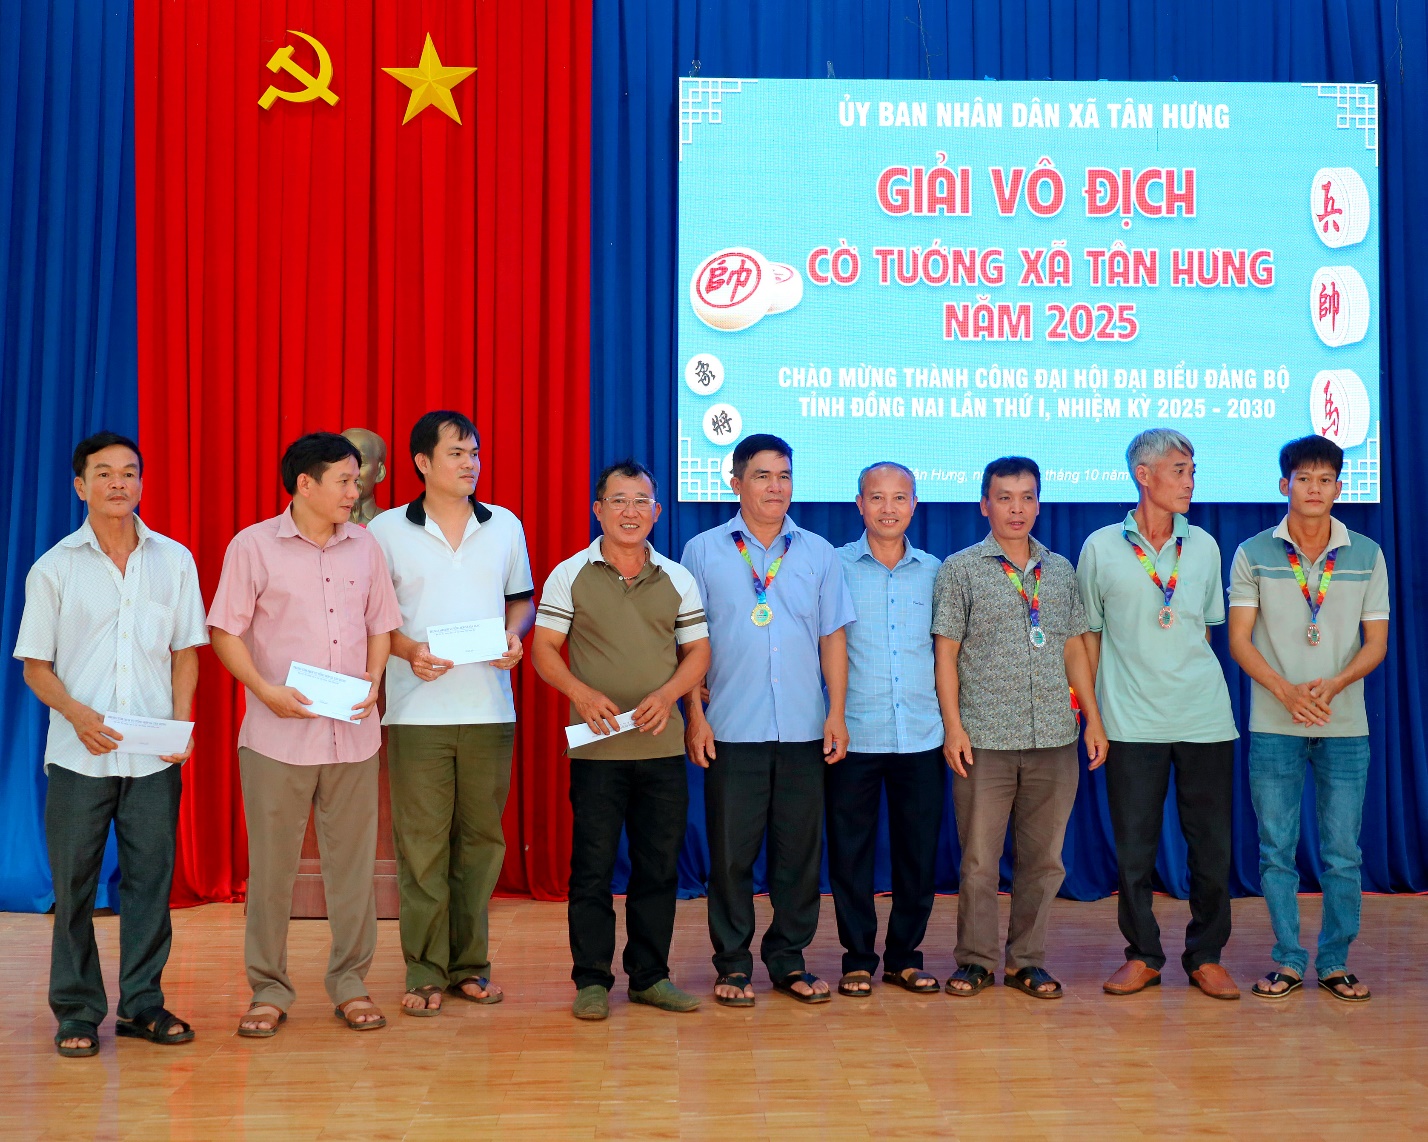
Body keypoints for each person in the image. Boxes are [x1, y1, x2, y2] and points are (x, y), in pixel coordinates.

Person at [15, 431, 207, 1057]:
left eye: (129, 472)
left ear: (142, 483)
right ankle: (76, 1011)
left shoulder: (174, 560)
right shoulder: (54, 568)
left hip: (154, 755)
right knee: (74, 886)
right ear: (81, 487)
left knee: (151, 882)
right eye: (103, 473)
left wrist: (181, 725)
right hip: (80, 756)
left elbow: (186, 652)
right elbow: (35, 667)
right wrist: (77, 715)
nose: (118, 483)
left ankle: (142, 1004)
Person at [207, 432, 402, 1037]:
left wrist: (374, 678)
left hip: (353, 736)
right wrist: (263, 691)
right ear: (305, 484)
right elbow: (225, 632)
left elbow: (381, 624)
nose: (355, 491)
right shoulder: (253, 546)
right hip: (277, 738)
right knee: (272, 870)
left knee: (353, 869)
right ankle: (268, 990)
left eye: (357, 480)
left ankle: (351, 984)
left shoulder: (365, 546)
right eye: (344, 481)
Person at [367, 411, 535, 1015]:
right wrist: (409, 651)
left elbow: (522, 599)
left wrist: (515, 637)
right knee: (421, 846)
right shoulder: (385, 530)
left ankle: (471, 965)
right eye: (457, 453)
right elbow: (372, 616)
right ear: (422, 463)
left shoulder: (504, 525)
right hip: (416, 713)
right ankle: (424, 969)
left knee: (481, 844)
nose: (470, 464)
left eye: (475, 453)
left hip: (489, 708)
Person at [681, 433, 856, 1006]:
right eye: (762, 476)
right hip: (732, 727)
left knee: (798, 856)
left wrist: (836, 712)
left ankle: (788, 960)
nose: (775, 487)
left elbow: (833, 638)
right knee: (730, 856)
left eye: (784, 475)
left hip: (804, 729)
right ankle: (732, 965)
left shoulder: (819, 553)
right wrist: (695, 716)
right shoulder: (702, 551)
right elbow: (688, 642)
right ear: (736, 483)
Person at [532, 460, 710, 1021]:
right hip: (598, 751)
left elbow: (698, 653)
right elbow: (543, 648)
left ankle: (650, 977)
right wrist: (579, 692)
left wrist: (670, 694)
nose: (630, 512)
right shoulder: (570, 574)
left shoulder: (677, 577)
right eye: (618, 500)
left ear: (656, 512)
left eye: (641, 501)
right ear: (598, 509)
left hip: (661, 749)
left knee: (658, 869)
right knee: (592, 868)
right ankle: (591, 981)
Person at [933, 457, 1109, 999]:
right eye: (1004, 497)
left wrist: (1093, 719)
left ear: (1038, 503)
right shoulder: (961, 569)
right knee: (979, 861)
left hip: (1054, 736)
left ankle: (1026, 961)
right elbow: (945, 654)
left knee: (1044, 861)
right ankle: (976, 961)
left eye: (1026, 497)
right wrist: (953, 727)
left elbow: (1075, 648)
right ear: (984, 505)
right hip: (983, 739)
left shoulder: (1059, 569)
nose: (1016, 508)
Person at [1077, 429, 1241, 1000]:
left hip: (1204, 719)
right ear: (1143, 475)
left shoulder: (1206, 546)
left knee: (1211, 848)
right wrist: (1094, 716)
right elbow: (1089, 638)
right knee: (1134, 851)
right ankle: (1143, 955)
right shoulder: (1100, 547)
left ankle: (1206, 956)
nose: (1190, 481)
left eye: (1192, 471)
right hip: (1129, 722)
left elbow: (1206, 631)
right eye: (1179, 470)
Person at [1228, 435, 1388, 1003]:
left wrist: (1335, 685)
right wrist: (1286, 692)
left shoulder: (1367, 554)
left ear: (1339, 488)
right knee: (1276, 850)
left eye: (1324, 480)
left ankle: (1336, 962)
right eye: (1303, 479)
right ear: (1284, 485)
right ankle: (1289, 961)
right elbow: (1240, 640)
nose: (1314, 489)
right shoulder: (1252, 552)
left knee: (1343, 853)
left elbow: (1376, 643)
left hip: (1344, 725)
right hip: (1275, 724)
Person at [827, 462, 945, 998]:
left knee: (917, 855)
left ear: (914, 505)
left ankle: (903, 958)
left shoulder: (936, 571)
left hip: (921, 734)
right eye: (877, 498)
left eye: (900, 498)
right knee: (850, 854)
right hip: (854, 732)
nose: (888, 508)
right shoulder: (833, 566)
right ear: (859, 504)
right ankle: (857, 958)